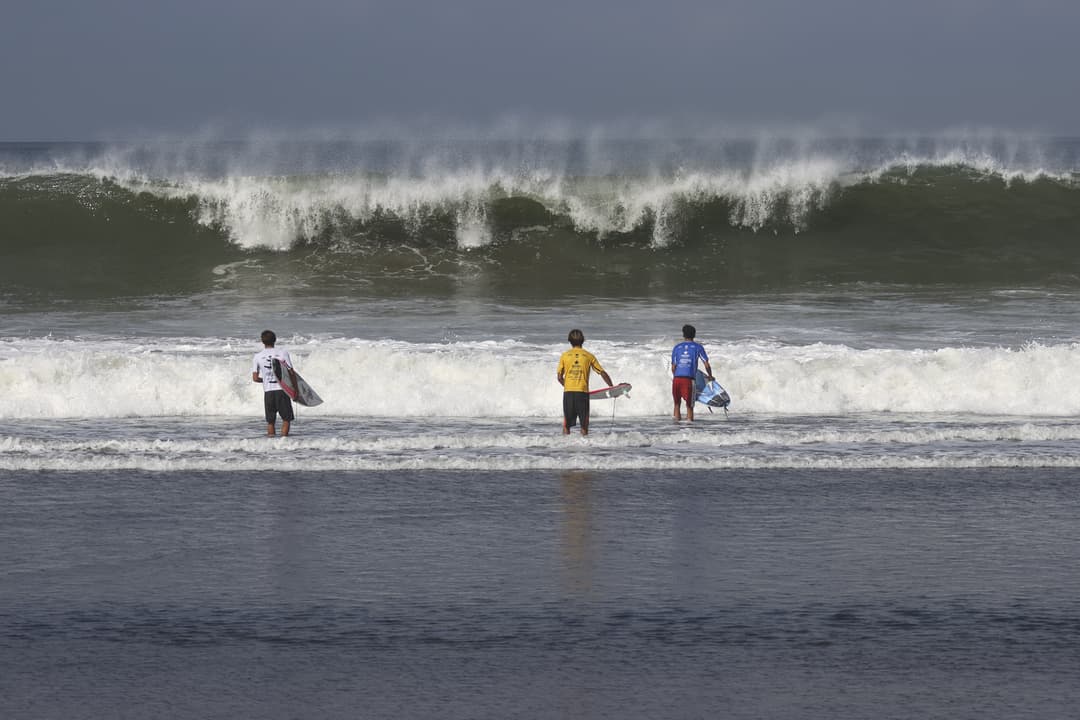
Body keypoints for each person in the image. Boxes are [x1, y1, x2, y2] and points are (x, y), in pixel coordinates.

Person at [557, 329, 614, 436]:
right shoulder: (589, 356)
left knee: (566, 424)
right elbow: (602, 372)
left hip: (568, 393)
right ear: (583, 340)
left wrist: (568, 385)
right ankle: (585, 449)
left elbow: (559, 377)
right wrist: (611, 387)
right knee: (584, 425)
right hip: (582, 394)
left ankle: (563, 448)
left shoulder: (564, 356)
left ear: (569, 341)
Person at [251, 329, 295, 437]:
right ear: (275, 340)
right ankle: (284, 443)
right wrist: (295, 389)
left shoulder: (257, 356)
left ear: (262, 341)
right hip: (282, 390)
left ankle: (271, 446)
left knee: (270, 421)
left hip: (268, 392)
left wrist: (265, 379)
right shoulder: (282, 353)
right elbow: (291, 372)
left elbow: (255, 378)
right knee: (286, 418)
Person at [671, 324, 713, 422]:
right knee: (689, 406)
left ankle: (675, 428)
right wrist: (710, 376)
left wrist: (675, 377)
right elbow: (706, 364)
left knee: (677, 404)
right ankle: (690, 429)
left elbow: (673, 367)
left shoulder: (677, 347)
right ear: (694, 335)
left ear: (683, 335)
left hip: (676, 379)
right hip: (688, 380)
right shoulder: (698, 347)